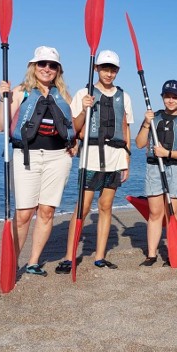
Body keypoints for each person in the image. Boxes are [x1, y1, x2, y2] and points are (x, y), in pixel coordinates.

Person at [0, 46, 76, 277]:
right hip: (26, 157)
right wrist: (2, 99)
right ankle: (12, 264)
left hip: (58, 158)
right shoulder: (21, 91)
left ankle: (33, 262)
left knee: (47, 211)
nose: (46, 69)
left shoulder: (65, 96)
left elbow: (73, 127)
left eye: (52, 65)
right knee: (23, 213)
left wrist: (76, 141)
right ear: (34, 66)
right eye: (42, 64)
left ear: (58, 70)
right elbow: (1, 126)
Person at [57, 50, 134, 274]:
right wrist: (84, 107)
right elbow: (75, 127)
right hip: (91, 156)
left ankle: (100, 257)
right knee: (83, 206)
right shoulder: (84, 93)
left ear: (117, 71)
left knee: (106, 206)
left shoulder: (124, 96)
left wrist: (127, 159)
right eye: (104, 68)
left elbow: (125, 127)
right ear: (96, 69)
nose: (108, 73)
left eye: (112, 69)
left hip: (116, 156)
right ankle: (69, 256)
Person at [134, 79, 177, 266]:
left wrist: (167, 153)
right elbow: (139, 144)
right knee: (155, 213)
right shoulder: (153, 119)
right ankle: (151, 254)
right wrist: (146, 123)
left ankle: (173, 253)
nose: (171, 100)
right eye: (167, 96)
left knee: (173, 213)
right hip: (155, 168)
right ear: (162, 97)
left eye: (175, 97)